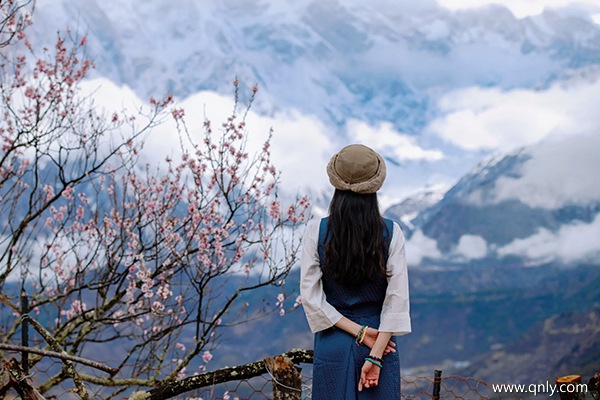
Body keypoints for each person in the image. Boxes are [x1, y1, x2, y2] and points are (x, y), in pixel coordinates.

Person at [300, 144, 411, 399]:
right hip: (381, 340)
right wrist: (376, 354)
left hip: (333, 339)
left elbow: (312, 298)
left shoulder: (315, 231)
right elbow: (396, 301)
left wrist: (358, 332)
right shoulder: (392, 233)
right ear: (376, 183)